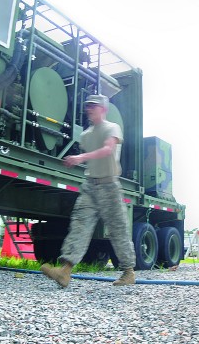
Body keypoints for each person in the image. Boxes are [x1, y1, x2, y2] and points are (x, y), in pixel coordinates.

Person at [40, 94, 136, 287]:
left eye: (93, 105)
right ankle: (64, 272)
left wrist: (80, 157)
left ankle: (129, 273)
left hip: (109, 186)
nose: (89, 109)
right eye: (87, 105)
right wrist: (78, 158)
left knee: (118, 230)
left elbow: (108, 150)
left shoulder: (112, 128)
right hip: (90, 186)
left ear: (103, 109)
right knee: (79, 225)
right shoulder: (85, 135)